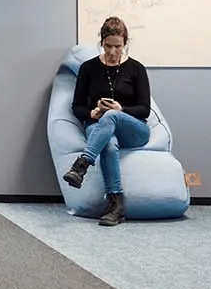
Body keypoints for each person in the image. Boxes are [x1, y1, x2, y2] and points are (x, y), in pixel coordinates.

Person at [62, 16, 153, 227]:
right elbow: (77, 107)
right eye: (108, 45)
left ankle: (81, 165)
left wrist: (121, 109)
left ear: (125, 43)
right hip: (98, 126)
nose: (112, 52)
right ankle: (116, 206)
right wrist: (92, 113)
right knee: (109, 146)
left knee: (111, 115)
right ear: (101, 42)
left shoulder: (137, 69)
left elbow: (144, 109)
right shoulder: (88, 68)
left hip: (134, 128)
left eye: (118, 47)